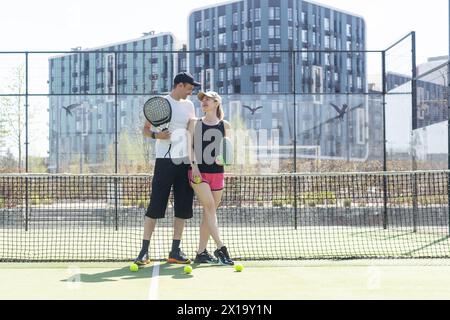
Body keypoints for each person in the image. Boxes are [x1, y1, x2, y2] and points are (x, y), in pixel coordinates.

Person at [134, 72, 201, 265]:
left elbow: (191, 133)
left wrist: (194, 162)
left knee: (183, 207)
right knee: (155, 206)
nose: (191, 92)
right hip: (164, 161)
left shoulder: (189, 106)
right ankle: (144, 252)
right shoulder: (160, 103)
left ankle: (175, 251)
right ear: (179, 85)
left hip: (185, 162)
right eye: (189, 88)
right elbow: (145, 130)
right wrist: (158, 136)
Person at [187, 91, 234, 266]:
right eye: (202, 100)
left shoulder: (226, 125)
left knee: (209, 214)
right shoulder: (194, 123)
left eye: (208, 99)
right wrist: (194, 167)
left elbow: (228, 153)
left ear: (216, 103)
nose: (204, 102)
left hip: (218, 174)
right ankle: (221, 248)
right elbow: (189, 147)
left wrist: (221, 159)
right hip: (198, 174)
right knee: (209, 207)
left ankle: (201, 252)